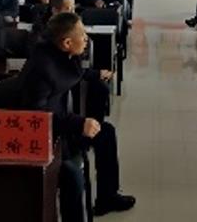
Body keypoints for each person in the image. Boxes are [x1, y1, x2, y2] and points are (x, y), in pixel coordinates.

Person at [18, 13, 135, 220]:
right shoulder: (42, 68)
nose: (86, 38)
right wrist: (78, 123)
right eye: (82, 34)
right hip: (49, 140)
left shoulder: (61, 54)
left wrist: (95, 74)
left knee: (106, 133)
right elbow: (36, 118)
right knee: (72, 174)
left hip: (65, 128)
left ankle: (107, 197)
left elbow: (77, 73)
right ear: (66, 42)